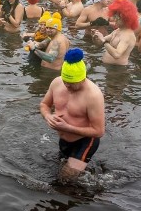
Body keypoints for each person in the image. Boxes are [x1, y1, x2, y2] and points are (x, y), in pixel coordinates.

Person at [39, 48, 105, 181]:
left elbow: (99, 131)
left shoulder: (93, 95)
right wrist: (48, 116)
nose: (67, 85)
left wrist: (67, 128)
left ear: (83, 78)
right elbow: (44, 105)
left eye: (72, 83)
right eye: (65, 81)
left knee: (66, 179)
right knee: (59, 173)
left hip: (85, 141)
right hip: (64, 140)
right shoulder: (57, 83)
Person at [92, 0, 138, 65]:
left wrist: (103, 41)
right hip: (108, 67)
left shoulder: (127, 36)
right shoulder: (117, 30)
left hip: (118, 71)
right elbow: (99, 43)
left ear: (126, 19)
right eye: (114, 16)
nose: (114, 20)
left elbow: (117, 55)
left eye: (117, 18)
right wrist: (96, 36)